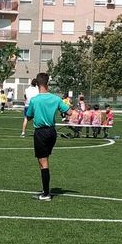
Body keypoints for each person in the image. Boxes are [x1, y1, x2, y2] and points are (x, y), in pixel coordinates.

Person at [24, 72, 69, 201]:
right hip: (52, 132)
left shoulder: (35, 100)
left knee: (43, 163)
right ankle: (45, 191)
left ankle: (46, 193)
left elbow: (29, 116)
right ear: (47, 83)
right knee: (44, 160)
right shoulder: (56, 99)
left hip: (41, 133)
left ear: (37, 84)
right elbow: (69, 112)